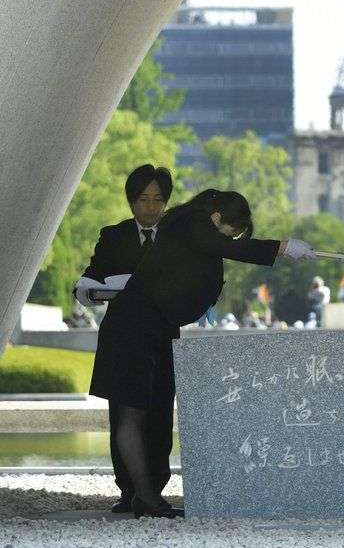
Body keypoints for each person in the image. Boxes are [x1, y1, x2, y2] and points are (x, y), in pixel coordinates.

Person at [88, 188, 315, 518]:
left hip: (152, 327)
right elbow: (225, 247)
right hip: (134, 329)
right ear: (217, 218)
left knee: (143, 413)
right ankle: (146, 498)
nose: (230, 240)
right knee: (131, 415)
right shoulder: (192, 225)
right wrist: (282, 247)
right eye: (230, 231)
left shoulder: (188, 226)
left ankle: (146, 495)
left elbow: (219, 250)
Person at [74, 164, 174, 514]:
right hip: (122, 337)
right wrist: (87, 290)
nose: (150, 207)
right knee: (123, 415)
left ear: (166, 203)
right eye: (143, 199)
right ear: (132, 201)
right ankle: (131, 490)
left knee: (160, 414)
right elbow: (91, 279)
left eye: (157, 200)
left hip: (162, 338)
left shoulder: (175, 238)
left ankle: (154, 490)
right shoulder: (113, 236)